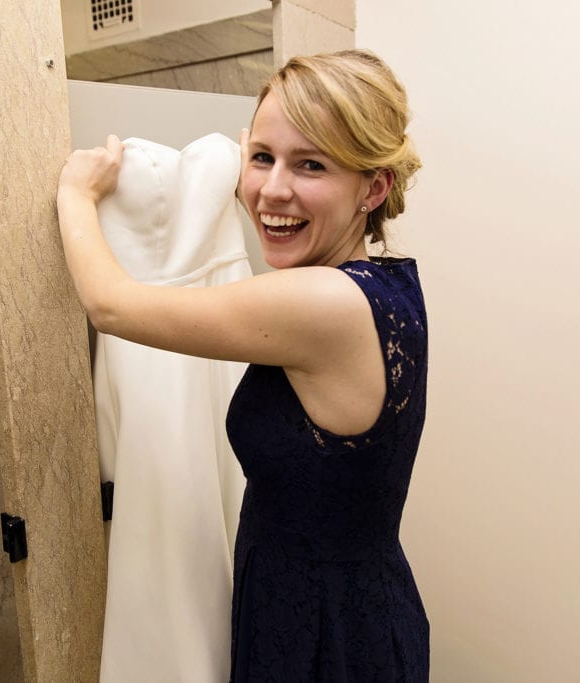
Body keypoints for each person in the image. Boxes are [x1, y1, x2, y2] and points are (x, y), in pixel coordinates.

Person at [58, 49, 429, 682]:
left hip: (322, 634)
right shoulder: (384, 283)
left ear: (374, 187)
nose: (272, 190)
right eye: (261, 158)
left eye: (311, 164)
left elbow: (111, 307)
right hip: (352, 605)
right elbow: (279, 188)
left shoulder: (319, 304)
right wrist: (271, 169)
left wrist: (76, 191)